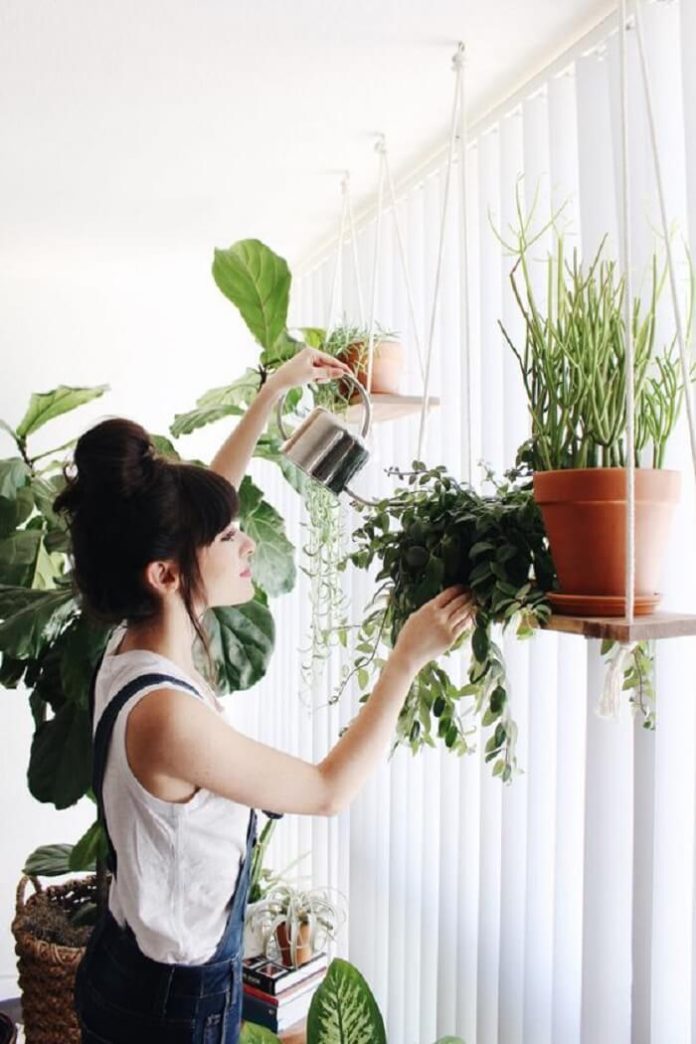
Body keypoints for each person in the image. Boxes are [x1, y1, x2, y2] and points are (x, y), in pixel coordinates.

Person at [58, 346, 475, 1044]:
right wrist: (405, 660)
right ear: (165, 573)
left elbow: (201, 507)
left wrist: (271, 395)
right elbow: (326, 789)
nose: (246, 542)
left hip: (126, 963)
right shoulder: (167, 717)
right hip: (170, 1006)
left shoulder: (133, 643)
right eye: (229, 536)